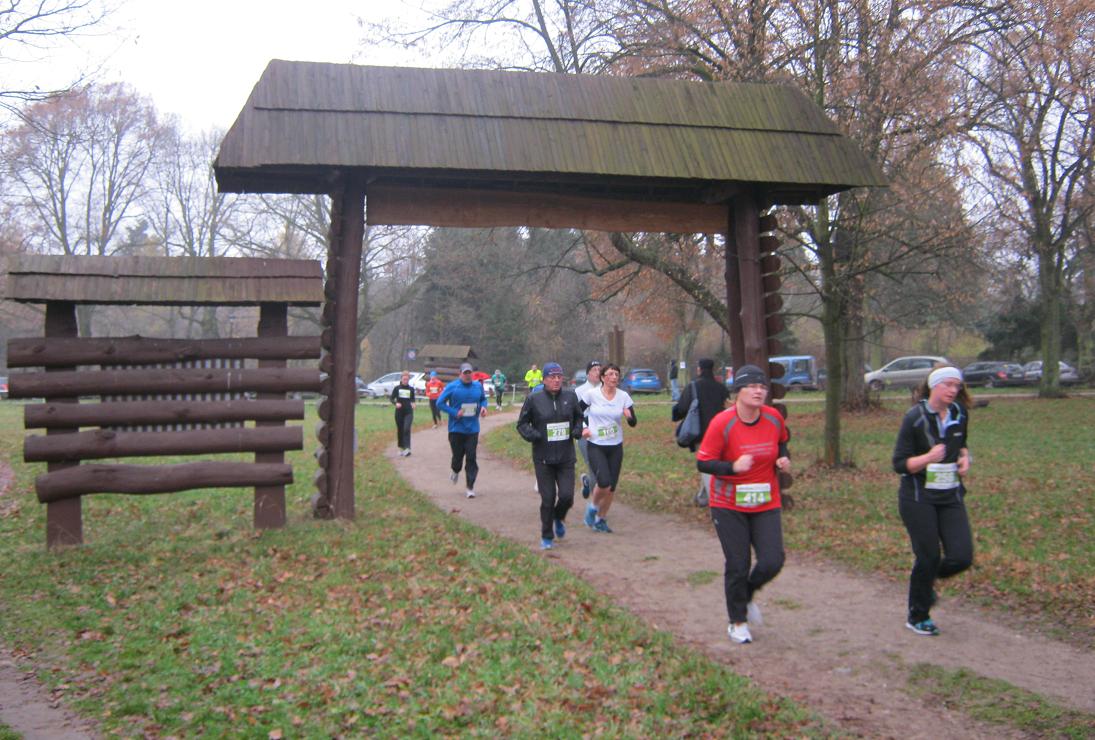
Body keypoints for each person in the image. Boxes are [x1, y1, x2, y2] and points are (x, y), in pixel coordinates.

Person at [696, 364, 790, 645]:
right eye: (752, 386)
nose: (759, 391)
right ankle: (737, 621)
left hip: (765, 500)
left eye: (762, 386)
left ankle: (745, 594)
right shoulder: (722, 423)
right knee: (738, 563)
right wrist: (732, 467)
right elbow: (704, 462)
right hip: (728, 503)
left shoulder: (773, 418)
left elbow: (782, 441)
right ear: (739, 391)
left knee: (773, 560)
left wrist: (782, 458)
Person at [892, 366, 974, 637]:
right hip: (918, 497)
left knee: (961, 556)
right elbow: (899, 464)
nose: (953, 390)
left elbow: (962, 444)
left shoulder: (960, 413)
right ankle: (918, 616)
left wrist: (965, 458)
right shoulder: (914, 417)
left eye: (957, 386)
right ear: (933, 386)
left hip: (950, 495)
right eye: (947, 385)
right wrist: (927, 458)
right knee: (928, 556)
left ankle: (924, 582)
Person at [516, 362, 584, 550]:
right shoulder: (534, 399)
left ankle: (558, 518)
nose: (556, 380)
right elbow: (522, 424)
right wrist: (534, 435)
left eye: (559, 377)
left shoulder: (570, 397)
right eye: (552, 377)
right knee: (548, 499)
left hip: (565, 456)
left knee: (567, 496)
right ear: (544, 379)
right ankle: (547, 536)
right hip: (543, 457)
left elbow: (579, 417)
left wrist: (577, 430)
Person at [580, 363, 637, 533]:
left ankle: (601, 519)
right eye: (611, 374)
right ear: (603, 377)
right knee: (604, 482)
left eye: (616, 374)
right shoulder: (592, 395)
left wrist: (629, 417)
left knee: (611, 486)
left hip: (615, 446)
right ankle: (593, 507)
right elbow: (576, 413)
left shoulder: (623, 396)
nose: (614, 377)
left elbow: (633, 422)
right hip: (596, 445)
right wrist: (584, 428)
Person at [672, 357, 730, 506]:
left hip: (701, 432)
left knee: (707, 466)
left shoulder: (693, 387)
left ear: (699, 369)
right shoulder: (721, 388)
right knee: (713, 463)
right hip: (722, 431)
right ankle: (703, 497)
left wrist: (675, 415)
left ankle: (716, 502)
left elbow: (682, 408)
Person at [437, 362, 489, 498]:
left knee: (471, 457)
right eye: (465, 373)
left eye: (469, 373)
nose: (467, 375)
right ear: (460, 374)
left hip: (472, 429)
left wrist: (484, 408)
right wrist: (454, 412)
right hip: (456, 429)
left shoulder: (478, 386)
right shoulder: (452, 387)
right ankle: (455, 470)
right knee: (457, 458)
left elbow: (483, 399)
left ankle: (470, 487)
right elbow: (439, 403)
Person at [573, 360, 602, 499]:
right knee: (594, 466)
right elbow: (575, 415)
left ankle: (587, 482)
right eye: (594, 370)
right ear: (588, 374)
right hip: (585, 433)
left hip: (603, 435)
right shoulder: (579, 391)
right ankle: (596, 504)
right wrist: (583, 427)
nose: (598, 372)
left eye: (599, 369)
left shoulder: (607, 389)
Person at [389, 371, 416, 456]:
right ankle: (401, 447)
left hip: (408, 412)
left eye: (407, 379)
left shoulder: (411, 389)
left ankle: (407, 448)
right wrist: (395, 403)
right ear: (401, 379)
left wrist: (413, 403)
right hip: (399, 413)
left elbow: (412, 399)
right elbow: (391, 398)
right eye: (404, 379)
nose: (405, 381)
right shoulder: (397, 388)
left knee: (406, 428)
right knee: (400, 430)